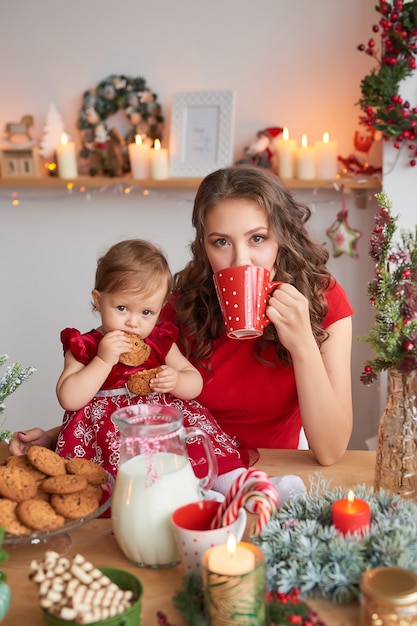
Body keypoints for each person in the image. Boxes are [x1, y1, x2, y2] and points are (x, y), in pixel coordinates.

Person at [159, 165, 353, 467]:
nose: (241, 261)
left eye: (257, 239)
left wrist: (302, 343)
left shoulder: (322, 300)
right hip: (194, 470)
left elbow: (330, 451)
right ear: (204, 247)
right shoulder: (180, 306)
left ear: (282, 237)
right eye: (221, 242)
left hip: (279, 473)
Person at [9, 239, 246, 482]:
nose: (133, 322)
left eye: (146, 312)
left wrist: (176, 380)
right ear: (99, 300)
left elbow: (194, 384)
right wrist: (102, 360)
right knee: (123, 479)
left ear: (160, 307)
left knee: (195, 450)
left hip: (158, 424)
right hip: (109, 434)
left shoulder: (159, 340)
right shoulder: (85, 346)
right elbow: (69, 398)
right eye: (122, 308)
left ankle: (228, 483)